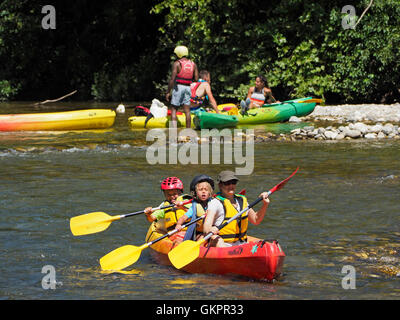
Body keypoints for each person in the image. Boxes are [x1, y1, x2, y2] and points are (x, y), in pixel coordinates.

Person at [203, 170, 270, 247]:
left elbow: (256, 220)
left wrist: (265, 204)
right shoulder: (215, 203)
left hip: (241, 243)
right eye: (227, 183)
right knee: (218, 241)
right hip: (222, 244)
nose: (231, 185)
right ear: (220, 185)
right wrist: (210, 230)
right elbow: (206, 227)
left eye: (233, 182)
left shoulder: (241, 200)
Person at [174, 175, 224, 242]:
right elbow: (183, 217)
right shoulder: (194, 207)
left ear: (210, 192)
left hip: (214, 230)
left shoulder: (214, 203)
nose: (203, 192)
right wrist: (178, 224)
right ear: (196, 193)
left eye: (206, 190)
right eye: (200, 190)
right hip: (200, 233)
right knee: (202, 239)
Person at [165, 45, 199, 128]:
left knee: (173, 109)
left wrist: (168, 92)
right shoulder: (193, 64)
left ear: (179, 54)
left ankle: (173, 134)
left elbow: (172, 79)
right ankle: (188, 132)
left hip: (178, 87)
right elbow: (196, 78)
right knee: (187, 110)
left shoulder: (177, 63)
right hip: (188, 88)